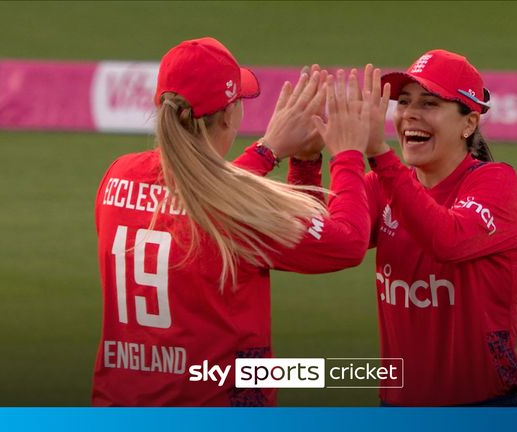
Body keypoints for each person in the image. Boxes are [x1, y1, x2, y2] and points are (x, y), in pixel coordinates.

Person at [91, 37, 377, 406]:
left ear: (158, 104)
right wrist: (348, 155)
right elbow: (349, 242)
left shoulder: (118, 176)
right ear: (229, 115)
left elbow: (201, 201)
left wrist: (275, 154)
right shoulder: (235, 208)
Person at [294, 51, 517, 406]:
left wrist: (376, 153)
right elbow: (319, 243)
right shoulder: (381, 185)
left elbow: (446, 240)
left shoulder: (496, 183)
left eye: (429, 103)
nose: (410, 114)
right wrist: (306, 160)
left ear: (469, 123)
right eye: (403, 102)